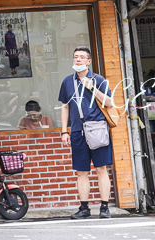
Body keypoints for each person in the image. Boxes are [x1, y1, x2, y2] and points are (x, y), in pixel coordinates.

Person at [59, 46, 113, 219]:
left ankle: (104, 207)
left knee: (101, 169)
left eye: (82, 57)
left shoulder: (99, 79)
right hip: (77, 132)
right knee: (81, 171)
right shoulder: (67, 82)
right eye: (76, 57)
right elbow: (64, 107)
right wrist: (64, 132)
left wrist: (92, 88)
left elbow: (110, 103)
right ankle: (84, 209)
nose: (78, 60)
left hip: (97, 129)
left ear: (89, 61)